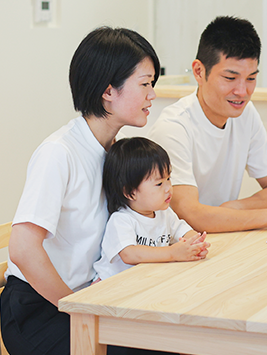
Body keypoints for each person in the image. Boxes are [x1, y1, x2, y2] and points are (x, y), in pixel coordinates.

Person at [1, 27, 173, 355]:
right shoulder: (59, 152)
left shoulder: (117, 153)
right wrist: (77, 308)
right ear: (109, 91)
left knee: (171, 336)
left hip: (92, 298)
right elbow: (22, 249)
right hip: (40, 310)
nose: (153, 95)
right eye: (145, 84)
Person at [148, 16, 267, 233]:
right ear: (199, 72)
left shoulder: (246, 115)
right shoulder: (174, 128)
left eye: (251, 78)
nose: (242, 92)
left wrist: (234, 207)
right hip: (178, 249)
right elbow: (190, 215)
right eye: (230, 78)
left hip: (220, 240)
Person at [93, 137, 209, 281]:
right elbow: (129, 254)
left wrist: (195, 244)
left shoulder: (164, 213)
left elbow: (184, 232)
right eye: (159, 184)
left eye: (169, 178)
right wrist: (173, 253)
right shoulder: (122, 220)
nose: (168, 188)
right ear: (130, 192)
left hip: (145, 281)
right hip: (110, 286)